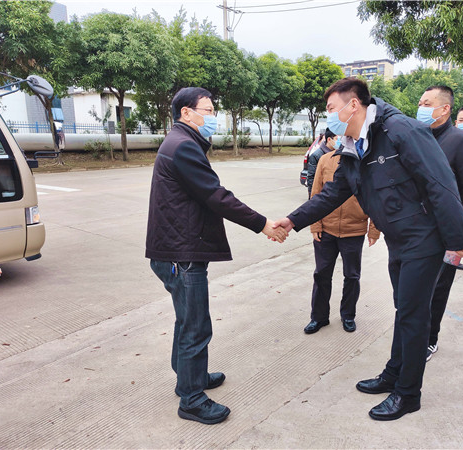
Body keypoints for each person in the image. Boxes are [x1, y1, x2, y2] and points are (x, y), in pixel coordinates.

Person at [274, 77, 463, 421]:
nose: (329, 115)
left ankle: (408, 394)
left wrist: (458, 241)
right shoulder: (354, 145)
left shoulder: (402, 131)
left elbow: (440, 183)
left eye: (331, 108)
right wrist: (293, 220)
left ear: (354, 105)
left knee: (413, 316)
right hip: (399, 239)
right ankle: (393, 373)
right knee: (403, 310)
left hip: (424, 239)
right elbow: (334, 192)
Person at [145, 87, 287, 425]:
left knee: (187, 320)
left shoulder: (180, 142)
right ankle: (192, 399)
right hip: (181, 254)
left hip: (177, 250)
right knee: (195, 326)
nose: (213, 117)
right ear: (186, 113)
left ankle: (189, 378)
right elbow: (216, 196)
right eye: (207, 111)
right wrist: (263, 224)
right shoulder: (183, 147)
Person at [417, 86, 463, 362]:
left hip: (448, 234)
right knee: (415, 290)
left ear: (445, 108)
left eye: (427, 103)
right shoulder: (418, 137)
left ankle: (429, 339)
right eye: (420, 103)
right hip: (417, 231)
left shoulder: (460, 141)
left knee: (438, 288)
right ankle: (414, 336)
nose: (421, 108)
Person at [304, 146, 381, 334]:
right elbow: (316, 193)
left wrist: (374, 230)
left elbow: (375, 197)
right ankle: (319, 317)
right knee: (321, 274)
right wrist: (315, 224)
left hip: (354, 230)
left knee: (352, 276)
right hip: (326, 229)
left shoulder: (365, 162)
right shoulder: (325, 160)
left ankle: (348, 315)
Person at [307, 128, 337, 198]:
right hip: (323, 196)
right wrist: (313, 199)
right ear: (329, 139)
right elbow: (312, 179)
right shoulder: (317, 156)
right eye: (337, 139)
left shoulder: (338, 154)